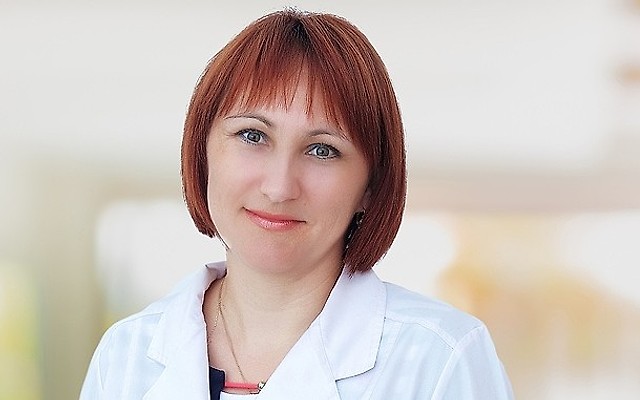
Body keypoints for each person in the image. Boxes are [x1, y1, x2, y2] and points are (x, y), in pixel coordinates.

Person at [80, 8, 514, 400]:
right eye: (252, 135)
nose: (279, 187)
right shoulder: (125, 357)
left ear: (370, 185)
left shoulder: (439, 359)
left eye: (322, 150)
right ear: (202, 151)